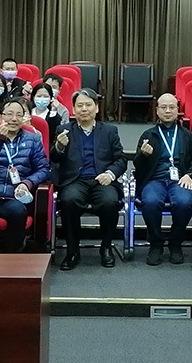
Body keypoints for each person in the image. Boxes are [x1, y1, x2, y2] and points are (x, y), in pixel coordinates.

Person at [51, 88, 126, 270]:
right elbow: (54, 159)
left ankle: (106, 247)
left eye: (88, 105)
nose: (84, 109)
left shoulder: (109, 131)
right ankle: (72, 251)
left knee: (110, 201)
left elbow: (121, 159)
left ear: (97, 108)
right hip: (75, 180)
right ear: (73, 109)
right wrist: (59, 147)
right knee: (69, 200)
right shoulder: (64, 130)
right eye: (80, 106)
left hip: (102, 179)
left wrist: (110, 174)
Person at [132, 93, 192, 266]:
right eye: (163, 107)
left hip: (180, 179)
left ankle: (175, 242)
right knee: (150, 202)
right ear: (157, 110)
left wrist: (190, 174)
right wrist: (143, 156)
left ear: (177, 110)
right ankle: (156, 244)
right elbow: (137, 165)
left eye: (171, 107)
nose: (167, 111)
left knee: (184, 202)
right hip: (154, 180)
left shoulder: (186, 135)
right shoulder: (148, 135)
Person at [0, 98, 51, 253]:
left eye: (19, 115)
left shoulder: (33, 140)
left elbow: (43, 169)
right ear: (1, 116)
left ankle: (13, 257)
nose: (14, 119)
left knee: (17, 212)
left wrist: (27, 183)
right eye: (9, 114)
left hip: (15, 194)